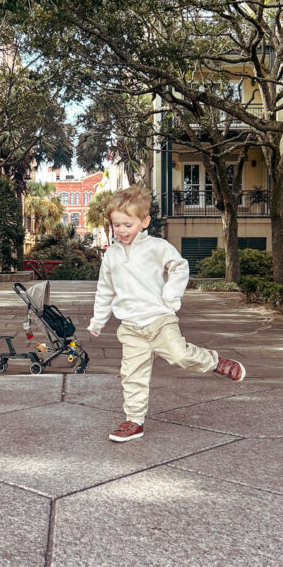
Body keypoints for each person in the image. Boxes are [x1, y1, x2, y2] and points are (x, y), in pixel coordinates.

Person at [87, 185, 245, 443]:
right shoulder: (111, 255)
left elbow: (180, 268)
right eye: (116, 225)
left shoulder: (157, 247)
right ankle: (134, 421)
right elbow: (105, 289)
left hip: (159, 320)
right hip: (131, 328)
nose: (121, 230)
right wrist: (98, 320)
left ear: (144, 221)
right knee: (132, 375)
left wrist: (171, 295)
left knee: (180, 355)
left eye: (127, 224)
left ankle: (214, 362)